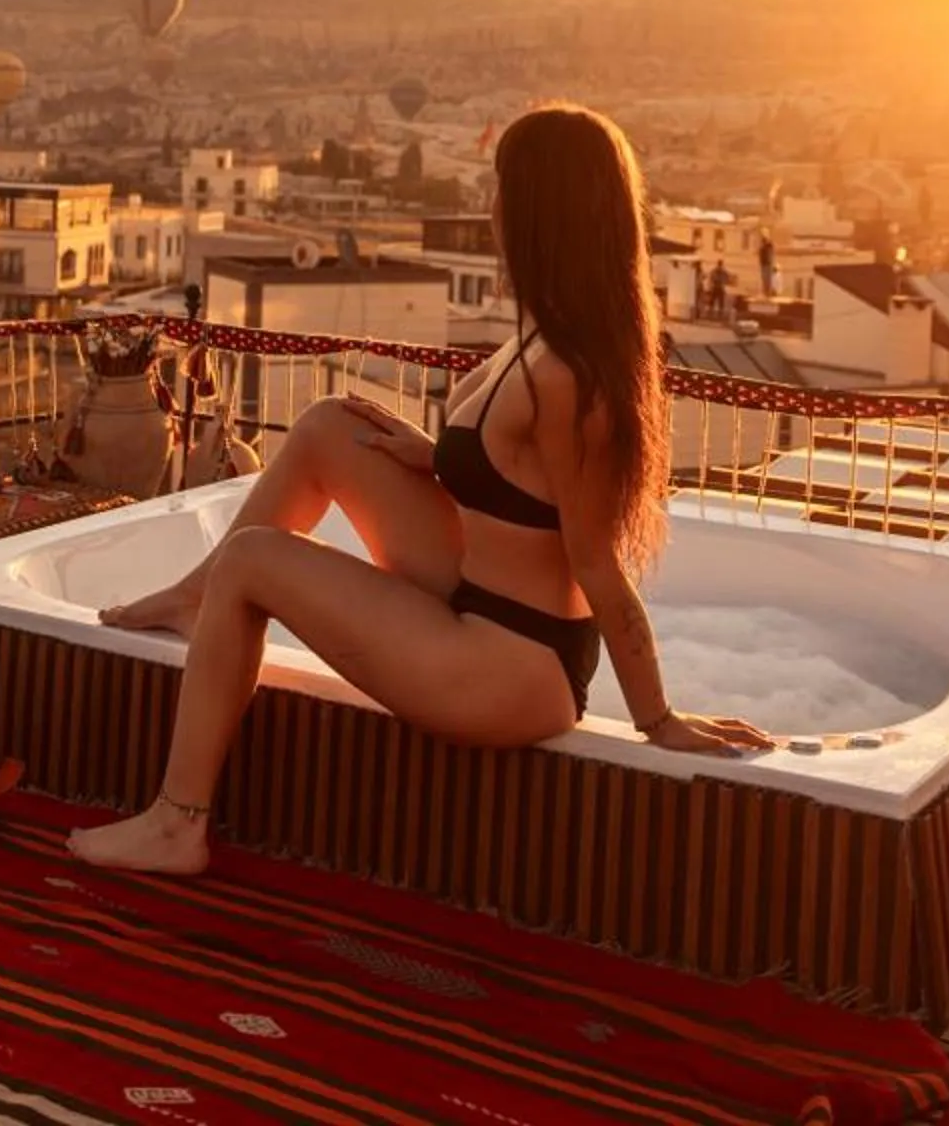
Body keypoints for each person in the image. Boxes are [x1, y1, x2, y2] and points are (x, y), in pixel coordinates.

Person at [71, 102, 774, 875]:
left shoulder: (569, 373)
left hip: (513, 667)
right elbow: (523, 484)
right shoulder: (543, 333)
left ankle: (178, 822)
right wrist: (437, 458)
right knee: (330, 424)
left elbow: (598, 563)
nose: (492, 206)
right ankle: (191, 598)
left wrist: (659, 717)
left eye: (504, 187)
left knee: (254, 560)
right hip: (482, 602)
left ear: (537, 211)